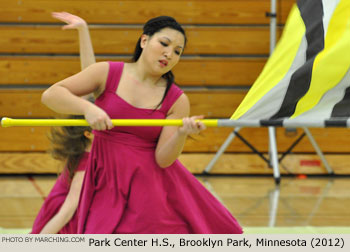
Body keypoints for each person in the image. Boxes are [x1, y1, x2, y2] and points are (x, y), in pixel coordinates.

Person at [41, 15, 243, 234]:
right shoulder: (106, 73)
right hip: (104, 184)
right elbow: (51, 95)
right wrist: (88, 109)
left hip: (150, 192)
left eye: (177, 51)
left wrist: (181, 134)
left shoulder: (177, 100)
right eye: (164, 44)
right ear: (144, 41)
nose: (169, 54)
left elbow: (163, 159)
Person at [31, 12, 95, 234]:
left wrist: (83, 30)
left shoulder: (90, 142)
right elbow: (69, 209)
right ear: (88, 133)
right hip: (63, 222)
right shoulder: (87, 161)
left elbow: (90, 73)